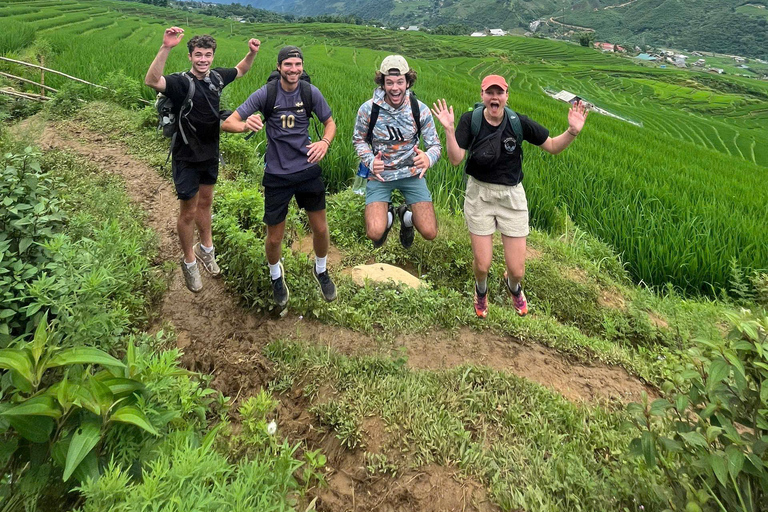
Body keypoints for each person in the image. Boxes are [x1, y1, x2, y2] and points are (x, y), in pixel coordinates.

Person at [431, 75, 588, 318]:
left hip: (512, 198)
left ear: (507, 96)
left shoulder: (518, 123)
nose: (494, 97)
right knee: (482, 265)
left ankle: (513, 287)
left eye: (499, 93)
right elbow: (455, 159)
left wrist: (572, 131)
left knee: (517, 270)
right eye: (489, 92)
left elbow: (554, 146)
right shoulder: (469, 121)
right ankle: (481, 290)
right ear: (482, 95)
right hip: (479, 195)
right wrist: (449, 130)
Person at [145, 27, 260, 293]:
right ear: (190, 56)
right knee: (188, 211)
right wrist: (166, 47)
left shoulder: (217, 78)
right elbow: (152, 81)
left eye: (207, 55)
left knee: (206, 203)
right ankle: (189, 262)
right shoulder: (180, 82)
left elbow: (241, 69)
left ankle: (206, 250)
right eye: (198, 55)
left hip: (210, 153)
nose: (203, 60)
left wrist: (252, 53)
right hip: (186, 156)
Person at [221, 46, 337, 307]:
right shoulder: (266, 93)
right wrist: (245, 125)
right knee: (274, 237)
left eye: (298, 64)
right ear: (279, 67)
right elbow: (228, 122)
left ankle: (321, 270)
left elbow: (330, 123)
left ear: (302, 67)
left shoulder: (310, 92)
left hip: (307, 169)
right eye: (288, 65)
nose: (293, 69)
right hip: (277, 174)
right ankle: (276, 276)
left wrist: (324, 143)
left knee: (319, 227)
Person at [352, 55, 442, 249]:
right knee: (375, 232)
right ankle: (390, 215)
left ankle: (406, 217)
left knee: (429, 232)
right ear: (382, 83)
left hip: (411, 174)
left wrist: (428, 157)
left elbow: (435, 145)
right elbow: (359, 140)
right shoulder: (368, 109)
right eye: (389, 82)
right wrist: (370, 161)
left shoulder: (420, 109)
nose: (395, 88)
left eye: (400, 82)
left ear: (408, 82)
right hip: (381, 175)